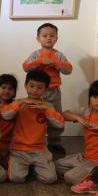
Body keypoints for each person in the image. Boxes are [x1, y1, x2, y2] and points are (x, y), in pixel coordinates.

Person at [22, 23, 73, 155]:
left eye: (52, 35)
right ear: (38, 38)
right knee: (34, 115)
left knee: (55, 115)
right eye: (44, 36)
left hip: (53, 92)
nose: (48, 38)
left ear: (57, 38)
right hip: (36, 93)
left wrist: (56, 63)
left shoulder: (59, 55)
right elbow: (26, 67)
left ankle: (54, 142)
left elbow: (68, 69)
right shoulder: (36, 54)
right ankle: (33, 140)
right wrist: (39, 62)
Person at [6, 70, 64, 184]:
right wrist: (19, 104)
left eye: (39, 87)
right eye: (31, 86)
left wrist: (46, 109)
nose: (35, 90)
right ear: (25, 86)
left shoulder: (47, 106)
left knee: (50, 179)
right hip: (19, 149)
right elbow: (5, 115)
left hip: (40, 149)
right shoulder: (19, 103)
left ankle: (33, 168)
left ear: (45, 90)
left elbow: (60, 124)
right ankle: (19, 163)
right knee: (16, 178)